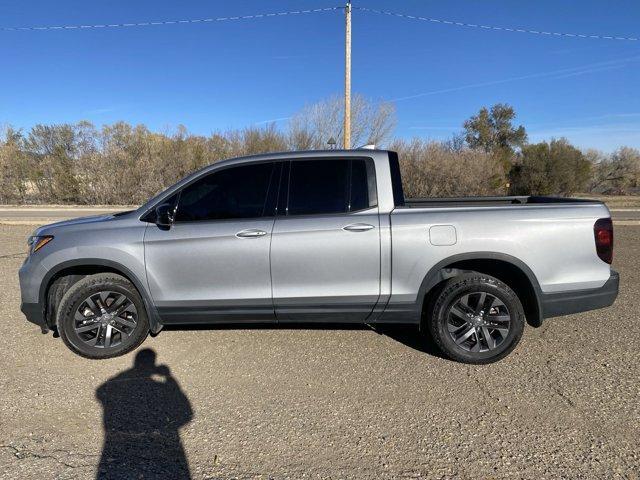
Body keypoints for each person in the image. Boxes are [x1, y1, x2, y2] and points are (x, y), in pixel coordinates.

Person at [95, 349, 193, 479]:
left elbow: (101, 391)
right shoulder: (160, 384)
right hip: (160, 444)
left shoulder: (125, 382)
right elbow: (187, 413)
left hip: (117, 441)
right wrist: (169, 379)